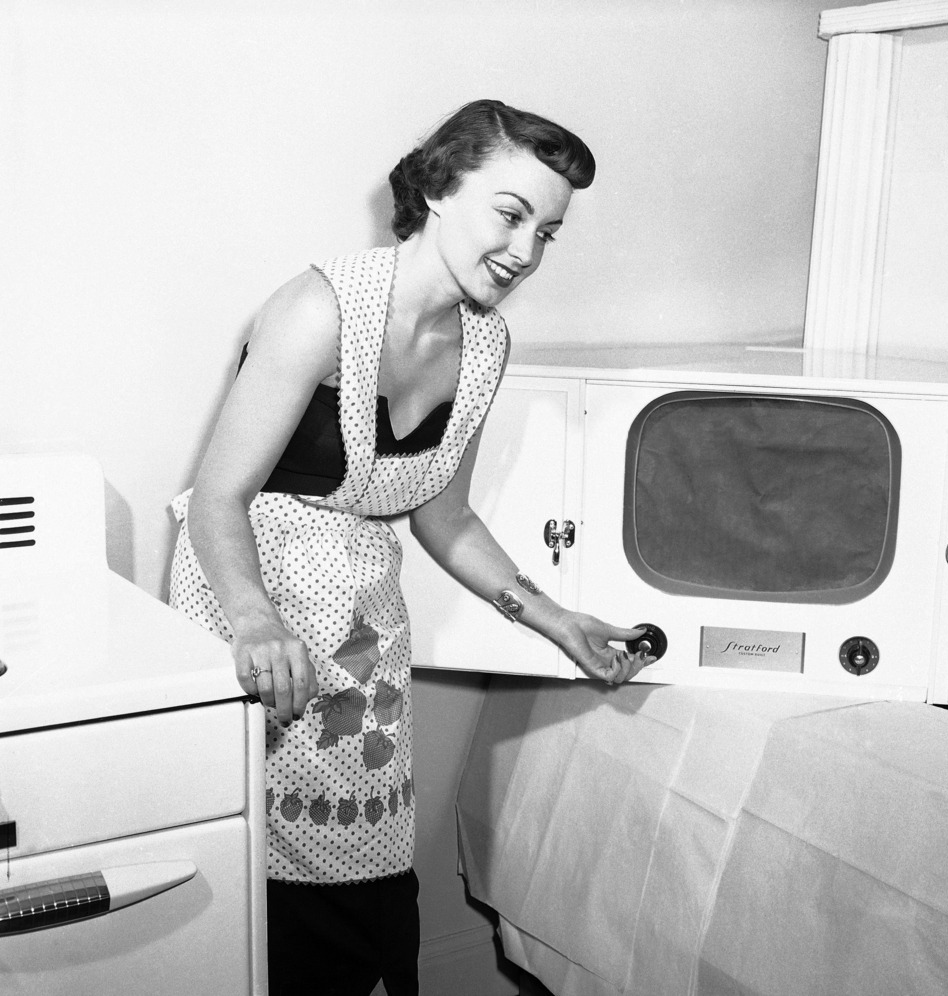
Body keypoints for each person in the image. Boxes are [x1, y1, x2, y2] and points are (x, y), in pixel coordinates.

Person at [167, 99, 651, 996]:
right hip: (250, 615)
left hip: (360, 629)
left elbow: (445, 518)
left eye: (547, 232)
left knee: (369, 896)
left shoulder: (484, 346)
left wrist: (556, 621)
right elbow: (219, 499)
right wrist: (253, 623)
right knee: (262, 906)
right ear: (435, 188)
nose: (525, 251)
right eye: (510, 214)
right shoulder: (318, 310)